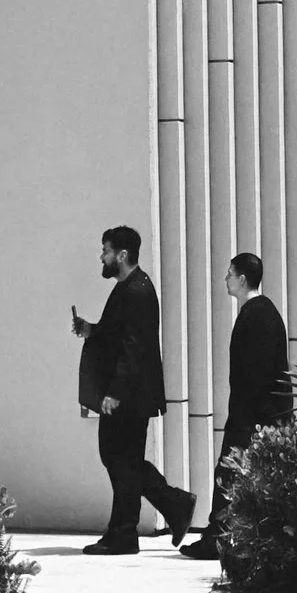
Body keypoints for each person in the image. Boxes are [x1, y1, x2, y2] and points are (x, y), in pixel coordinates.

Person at [70, 223, 193, 555]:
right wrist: (91, 330)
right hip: (129, 393)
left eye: (106, 250)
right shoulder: (128, 288)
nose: (102, 256)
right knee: (122, 459)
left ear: (122, 255)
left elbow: (133, 348)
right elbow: (117, 335)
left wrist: (115, 392)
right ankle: (142, 521)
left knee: (120, 459)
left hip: (130, 395)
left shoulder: (137, 290)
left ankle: (135, 526)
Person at [182, 251, 294, 558]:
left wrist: (250, 419)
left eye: (229, 274)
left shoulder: (256, 314)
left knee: (229, 472)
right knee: (237, 474)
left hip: (255, 414)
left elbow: (255, 373)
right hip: (259, 412)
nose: (225, 279)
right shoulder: (262, 311)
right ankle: (222, 535)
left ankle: (218, 538)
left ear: (242, 279)